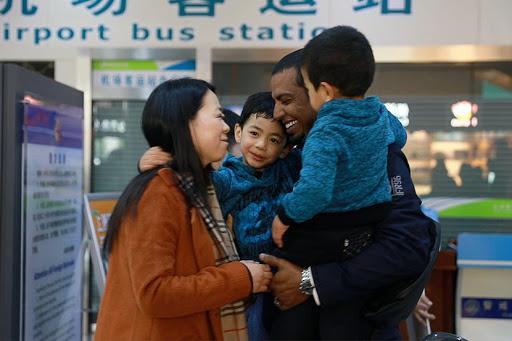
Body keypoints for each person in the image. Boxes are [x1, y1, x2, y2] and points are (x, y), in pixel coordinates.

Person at [260, 46, 435, 340]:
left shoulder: (375, 153)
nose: (279, 112)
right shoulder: (294, 152)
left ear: (322, 94)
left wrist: (308, 282)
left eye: (287, 100)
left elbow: (406, 245)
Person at [95, 79, 272, 341]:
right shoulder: (160, 192)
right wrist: (240, 277)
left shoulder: (195, 189)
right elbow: (155, 292)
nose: (225, 127)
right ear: (186, 123)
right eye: (217, 116)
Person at [139, 91, 301, 340]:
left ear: (285, 149)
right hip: (249, 283)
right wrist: (157, 164)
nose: (261, 145)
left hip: (288, 277)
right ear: (238, 132)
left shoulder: (289, 168)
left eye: (274, 139)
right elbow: (190, 185)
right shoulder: (226, 178)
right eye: (254, 133)